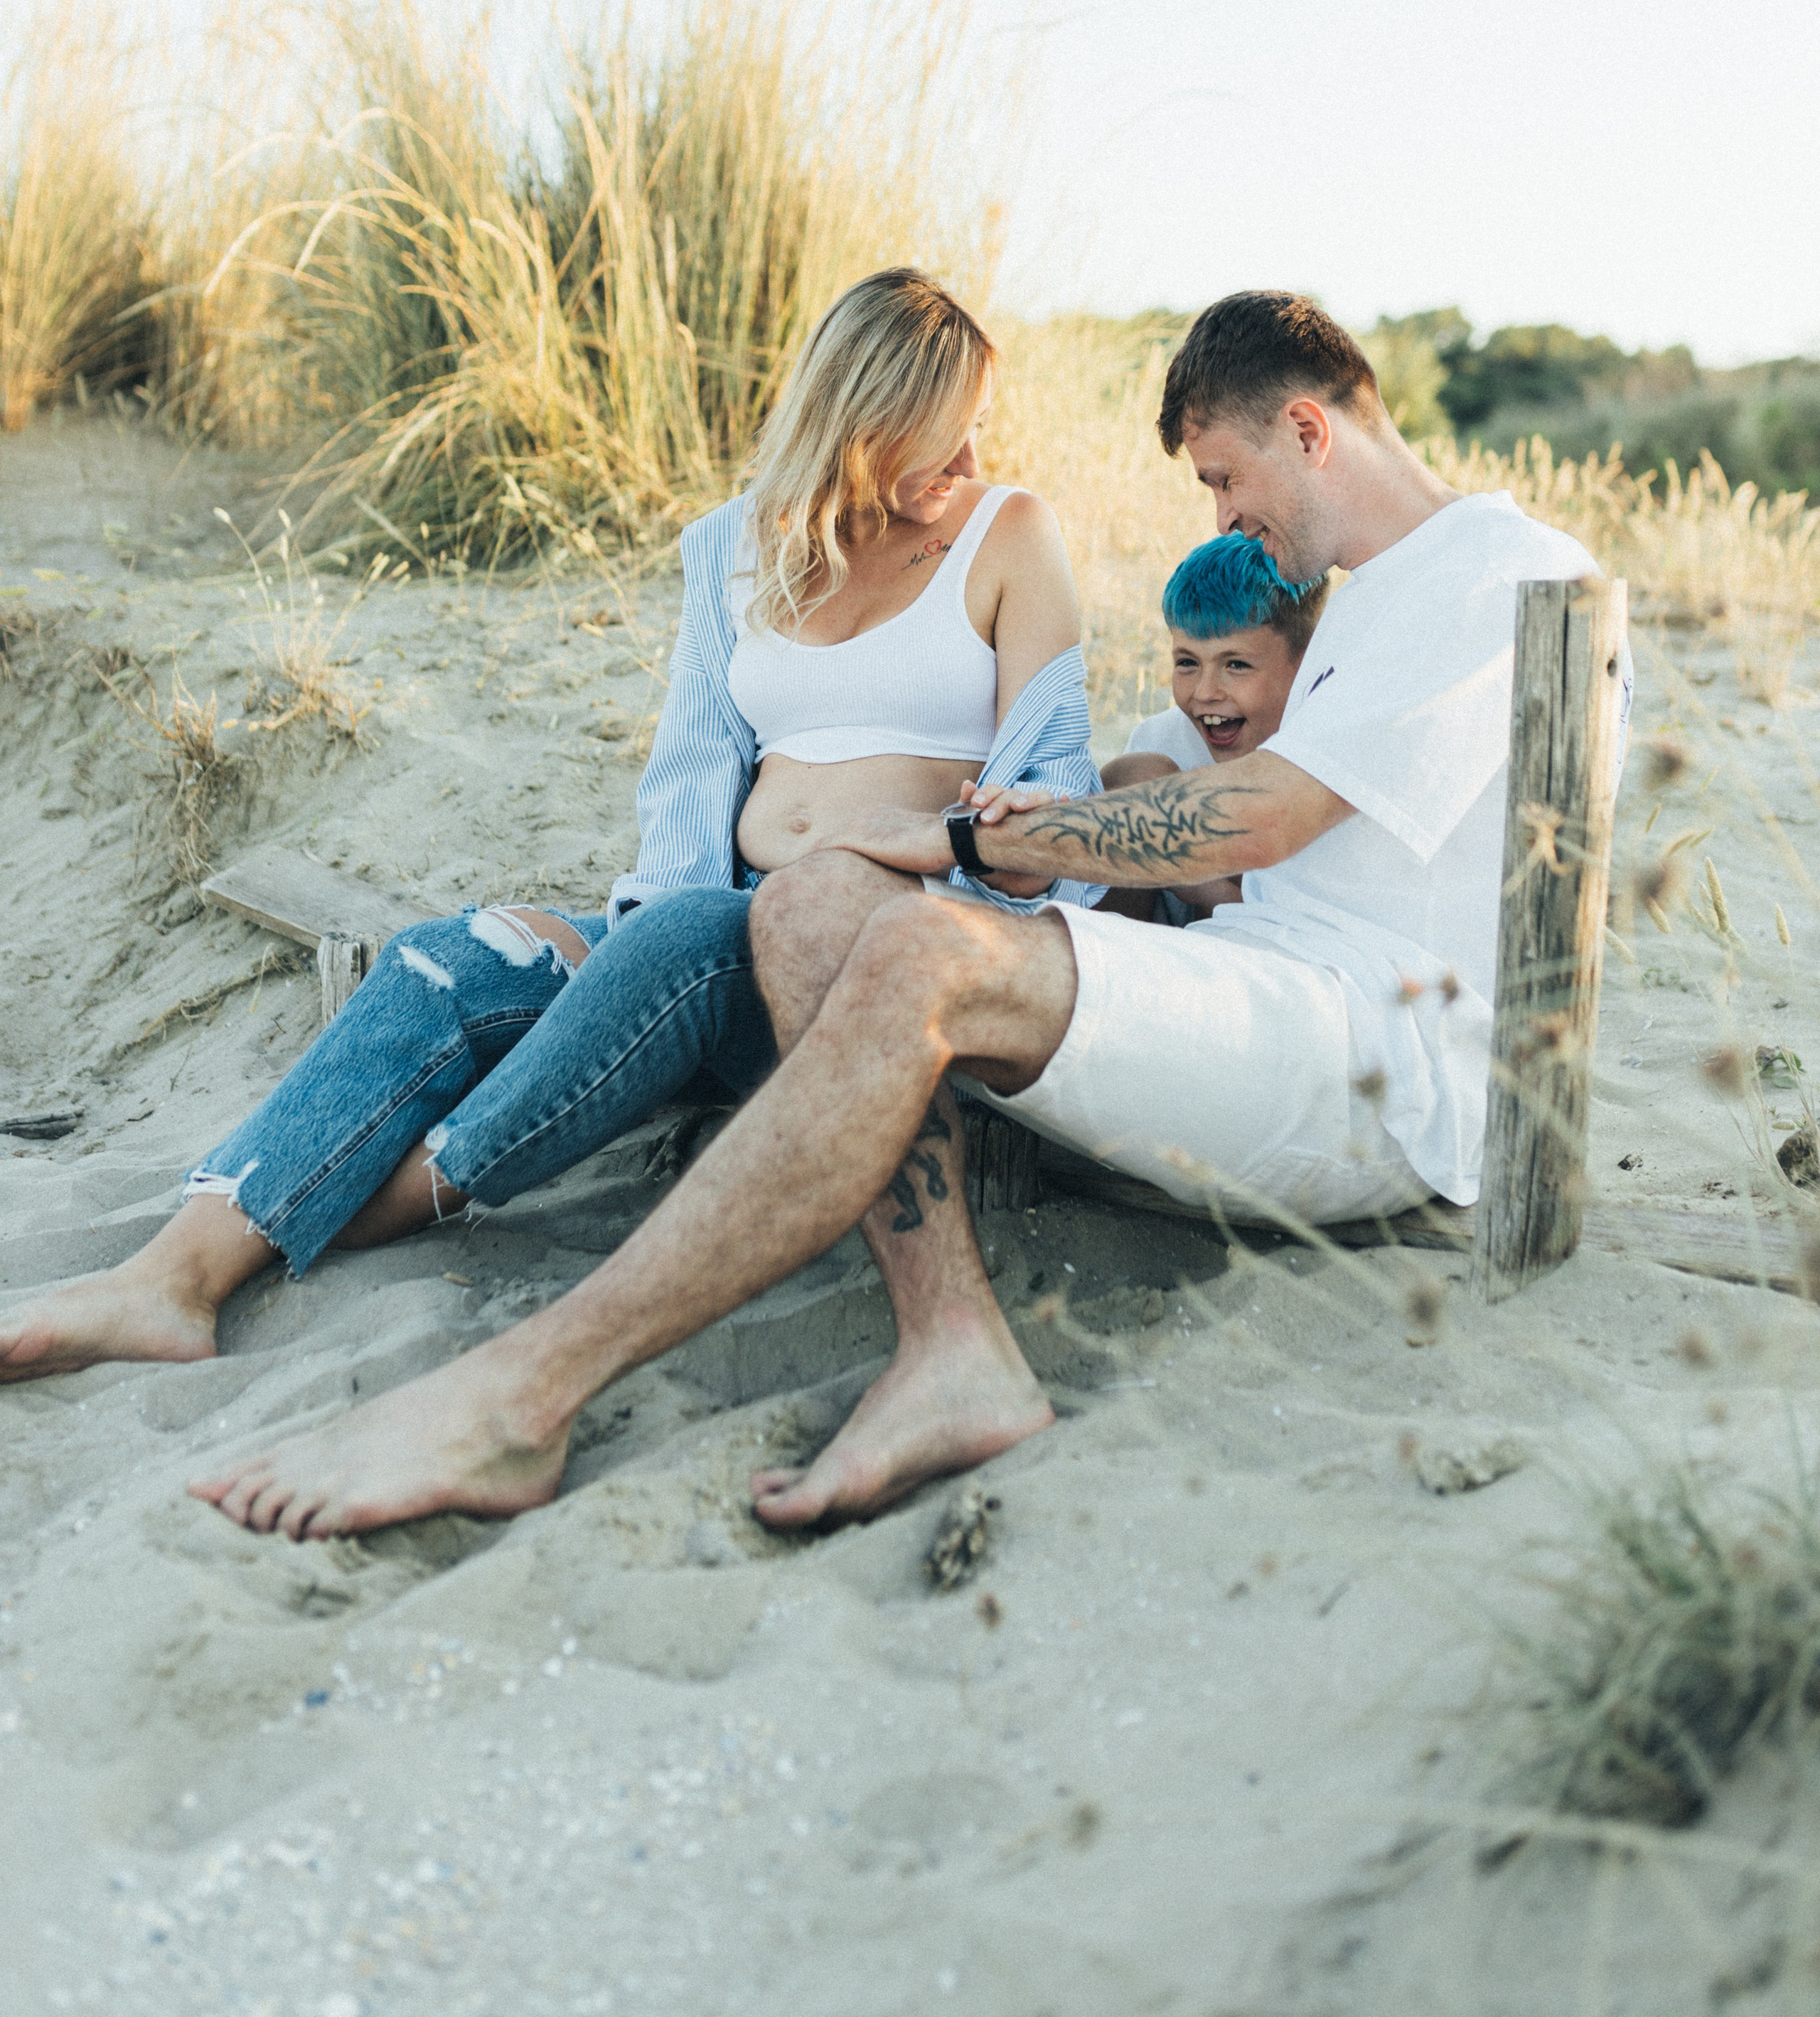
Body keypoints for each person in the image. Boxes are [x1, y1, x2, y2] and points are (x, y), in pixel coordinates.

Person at [90, 288, 1627, 1548]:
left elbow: (1263, 817)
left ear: (1308, 428)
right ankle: (951, 1347)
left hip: (1370, 1056)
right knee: (826, 901)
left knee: (913, 940)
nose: (1223, 515)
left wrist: (973, 836)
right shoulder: (1366, 604)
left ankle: (520, 1392)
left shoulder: (1502, 570)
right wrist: (1066, 805)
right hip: (1248, 986)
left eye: (1225, 479)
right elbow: (1205, 788)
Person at [0, 267, 1097, 1381]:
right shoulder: (736, 547)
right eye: (945, 436)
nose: (970, 461)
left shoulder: (1007, 533)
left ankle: (404, 1191)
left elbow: (1056, 781)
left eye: (979, 431)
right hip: (718, 924)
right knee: (450, 958)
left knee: (679, 943)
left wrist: (1002, 849)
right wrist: (636, 934)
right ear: (863, 420)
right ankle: (169, 1280)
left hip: (872, 946)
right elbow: (692, 773)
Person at [1097, 531, 1329, 921]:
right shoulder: (1161, 742)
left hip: (1283, 944)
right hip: (1159, 944)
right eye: (1187, 662)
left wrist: (1203, 885)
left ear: (1307, 662)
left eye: (1236, 665)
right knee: (1134, 779)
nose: (1204, 693)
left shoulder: (1327, 752)